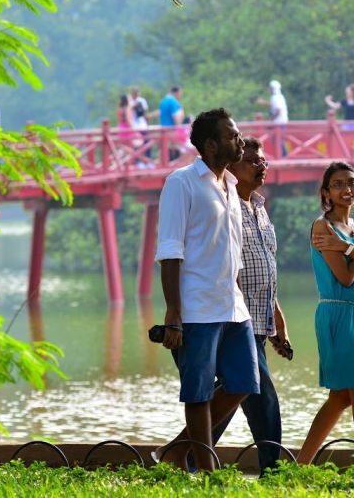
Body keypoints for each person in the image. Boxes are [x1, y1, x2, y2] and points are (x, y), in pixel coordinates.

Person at [153, 108, 259, 472]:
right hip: (197, 307)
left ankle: (177, 450)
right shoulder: (181, 182)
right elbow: (170, 249)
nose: (240, 141)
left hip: (233, 304)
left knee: (245, 381)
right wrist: (173, 312)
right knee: (198, 392)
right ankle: (209, 472)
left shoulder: (230, 185)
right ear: (211, 144)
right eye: (233, 136)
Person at [185, 137, 292, 475]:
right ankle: (273, 471)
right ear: (230, 166)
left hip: (259, 323)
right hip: (232, 320)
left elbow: (265, 269)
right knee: (261, 398)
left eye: (263, 161)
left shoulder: (259, 207)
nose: (261, 166)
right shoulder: (225, 207)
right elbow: (222, 266)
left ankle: (184, 457)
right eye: (252, 161)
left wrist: (278, 322)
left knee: (231, 396)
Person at [297, 161, 354, 465]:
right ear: (326, 193)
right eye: (337, 184)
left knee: (341, 398)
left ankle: (300, 466)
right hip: (337, 315)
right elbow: (345, 278)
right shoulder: (323, 227)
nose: (346, 189)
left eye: (351, 183)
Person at [257, 80, 289, 156]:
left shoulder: (276, 97)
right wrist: (262, 102)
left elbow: (278, 111)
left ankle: (283, 156)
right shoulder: (277, 97)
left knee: (278, 141)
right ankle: (281, 156)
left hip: (279, 123)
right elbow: (272, 105)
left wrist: (271, 120)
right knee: (277, 141)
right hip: (279, 122)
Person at [159, 86, 186, 160]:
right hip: (172, 130)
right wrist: (182, 111)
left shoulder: (163, 101)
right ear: (177, 93)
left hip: (164, 130)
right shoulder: (173, 101)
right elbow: (176, 119)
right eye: (180, 93)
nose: (180, 96)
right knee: (175, 151)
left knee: (165, 152)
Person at [129, 86, 152, 165]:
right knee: (137, 144)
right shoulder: (130, 102)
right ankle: (137, 162)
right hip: (135, 126)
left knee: (147, 143)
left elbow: (145, 114)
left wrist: (147, 124)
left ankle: (148, 161)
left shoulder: (142, 101)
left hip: (142, 125)